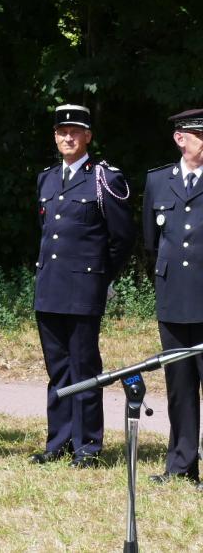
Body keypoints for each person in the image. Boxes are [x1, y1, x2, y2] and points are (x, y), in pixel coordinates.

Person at [30, 104, 135, 468]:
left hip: (83, 289)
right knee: (57, 369)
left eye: (75, 131)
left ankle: (87, 446)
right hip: (49, 288)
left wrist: (100, 278)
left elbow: (121, 238)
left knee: (84, 368)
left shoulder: (104, 178)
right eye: (62, 131)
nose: (67, 137)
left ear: (88, 136)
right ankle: (57, 441)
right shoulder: (46, 178)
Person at [143, 108, 203, 489]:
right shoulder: (158, 181)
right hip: (173, 298)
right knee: (180, 386)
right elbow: (151, 241)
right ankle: (181, 465)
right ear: (181, 139)